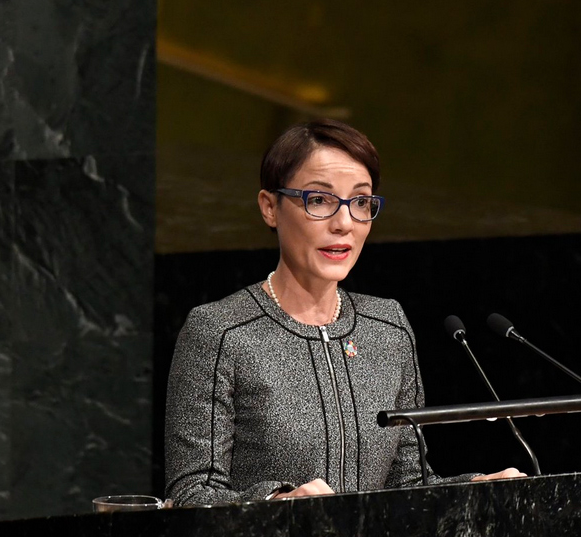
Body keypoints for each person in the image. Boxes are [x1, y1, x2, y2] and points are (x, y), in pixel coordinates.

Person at [164, 119, 524, 505]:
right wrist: (276, 503)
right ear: (270, 207)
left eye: (361, 202)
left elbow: (407, 486)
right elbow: (189, 495)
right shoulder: (220, 331)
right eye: (319, 200)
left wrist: (473, 488)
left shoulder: (387, 327)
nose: (344, 224)